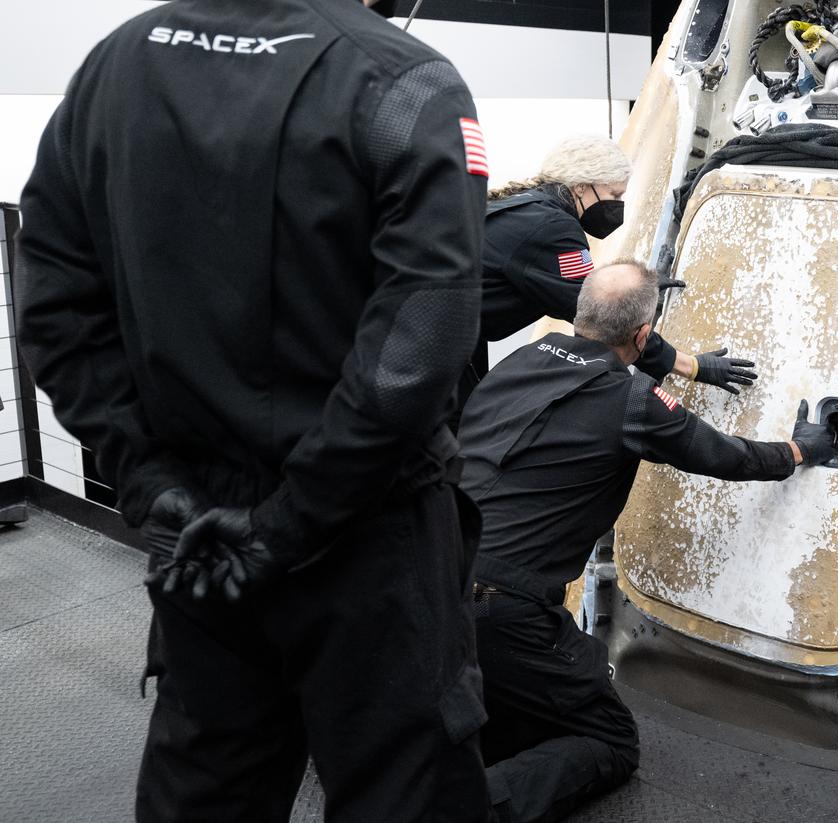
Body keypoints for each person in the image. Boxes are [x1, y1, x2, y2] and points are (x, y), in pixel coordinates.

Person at [15, 1, 489, 820]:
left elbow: (54, 305)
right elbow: (416, 351)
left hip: (196, 521)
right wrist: (291, 522)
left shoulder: (113, 65)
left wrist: (151, 480)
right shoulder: (404, 82)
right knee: (403, 787)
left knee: (208, 780)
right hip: (366, 531)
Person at [457, 261, 838, 823]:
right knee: (610, 740)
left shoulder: (522, 358)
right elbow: (725, 456)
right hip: (506, 605)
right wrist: (801, 450)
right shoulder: (632, 400)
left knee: (519, 706)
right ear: (641, 335)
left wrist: (690, 364)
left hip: (438, 576)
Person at [461, 135, 757, 412]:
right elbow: (603, 317)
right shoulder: (553, 227)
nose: (617, 205)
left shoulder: (528, 208)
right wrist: (691, 366)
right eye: (614, 193)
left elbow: (568, 277)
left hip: (442, 328)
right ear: (580, 187)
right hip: (441, 340)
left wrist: (637, 286)